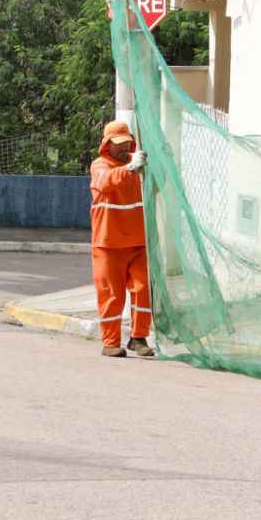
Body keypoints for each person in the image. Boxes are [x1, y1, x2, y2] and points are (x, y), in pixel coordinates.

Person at [89, 120, 154, 358]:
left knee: (143, 289)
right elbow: (105, 183)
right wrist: (130, 168)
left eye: (126, 142)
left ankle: (138, 337)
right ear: (106, 144)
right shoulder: (100, 165)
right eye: (118, 143)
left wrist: (143, 164)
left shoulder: (136, 165)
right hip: (108, 243)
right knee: (111, 294)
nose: (123, 147)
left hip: (138, 239)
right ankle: (110, 342)